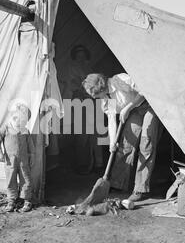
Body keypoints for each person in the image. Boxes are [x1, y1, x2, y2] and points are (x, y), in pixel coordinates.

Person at [82, 72, 160, 202]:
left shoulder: (120, 80)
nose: (96, 98)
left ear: (101, 87)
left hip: (149, 105)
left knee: (146, 145)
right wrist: (112, 142)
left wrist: (128, 107)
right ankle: (118, 184)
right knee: (125, 145)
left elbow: (144, 91)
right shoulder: (106, 98)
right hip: (134, 111)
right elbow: (112, 120)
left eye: (96, 94)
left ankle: (140, 189)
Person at [60, 45, 103, 174]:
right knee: (82, 133)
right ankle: (83, 164)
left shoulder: (88, 68)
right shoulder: (71, 68)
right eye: (78, 55)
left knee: (95, 133)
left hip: (91, 101)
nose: (81, 57)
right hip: (79, 101)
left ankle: (98, 163)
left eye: (83, 55)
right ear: (75, 56)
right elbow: (74, 85)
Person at [0, 103, 35, 212]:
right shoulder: (6, 128)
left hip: (23, 160)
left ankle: (27, 200)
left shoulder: (25, 131)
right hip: (10, 160)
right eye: (18, 119)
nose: (20, 122)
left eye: (24, 121)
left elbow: (30, 145)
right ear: (13, 117)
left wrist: (32, 155)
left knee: (26, 179)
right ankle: (11, 200)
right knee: (10, 179)